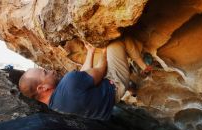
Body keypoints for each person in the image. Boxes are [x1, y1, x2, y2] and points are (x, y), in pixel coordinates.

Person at [19, 36, 150, 120]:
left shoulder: (53, 105)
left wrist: (91, 52)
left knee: (85, 79)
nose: (52, 71)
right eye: (45, 72)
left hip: (103, 106)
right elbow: (100, 70)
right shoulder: (71, 82)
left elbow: (80, 79)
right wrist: (104, 52)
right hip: (114, 87)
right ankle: (144, 66)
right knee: (116, 43)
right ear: (42, 88)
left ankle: (132, 88)